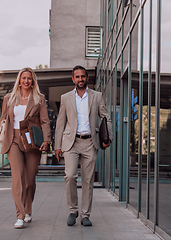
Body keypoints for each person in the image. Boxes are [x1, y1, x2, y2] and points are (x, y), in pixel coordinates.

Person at [0, 67, 51, 229]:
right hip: (13, 140)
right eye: (24, 78)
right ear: (19, 80)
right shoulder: (9, 98)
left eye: (29, 78)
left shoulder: (39, 98)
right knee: (17, 178)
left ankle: (28, 209)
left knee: (29, 180)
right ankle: (20, 215)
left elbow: (45, 121)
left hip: (31, 141)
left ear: (33, 82)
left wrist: (46, 140)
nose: (26, 81)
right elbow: (3, 120)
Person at [55, 65, 112, 227]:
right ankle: (73, 211)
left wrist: (109, 137)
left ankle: (85, 215)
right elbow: (60, 123)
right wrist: (57, 145)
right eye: (77, 77)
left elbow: (105, 117)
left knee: (88, 180)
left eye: (83, 76)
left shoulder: (97, 96)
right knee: (70, 176)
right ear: (73, 79)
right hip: (71, 143)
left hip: (90, 142)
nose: (80, 79)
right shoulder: (65, 98)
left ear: (87, 78)